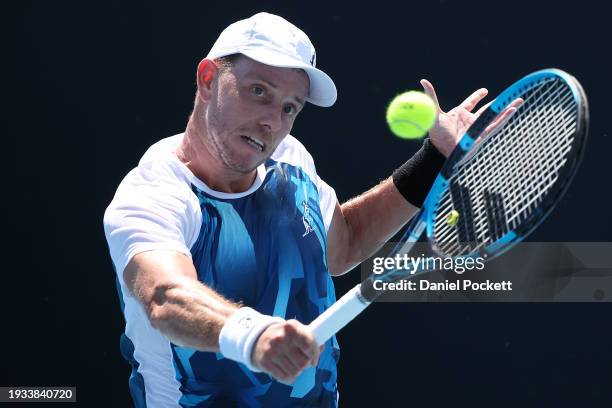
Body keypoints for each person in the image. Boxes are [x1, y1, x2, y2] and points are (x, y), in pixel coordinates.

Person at [103, 12, 517, 407]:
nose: (272, 122)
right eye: (259, 91)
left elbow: (345, 243)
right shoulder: (153, 194)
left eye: (290, 107)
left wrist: (434, 159)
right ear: (208, 79)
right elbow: (165, 297)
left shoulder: (291, 162)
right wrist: (254, 334)